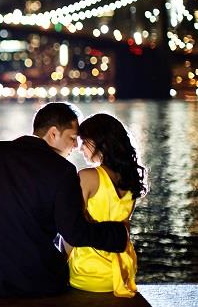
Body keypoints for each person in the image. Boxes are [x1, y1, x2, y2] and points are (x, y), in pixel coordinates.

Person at [0, 102, 128, 298]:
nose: (76, 147)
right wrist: (119, 234)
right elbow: (74, 232)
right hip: (30, 281)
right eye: (72, 138)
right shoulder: (62, 170)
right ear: (53, 134)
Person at [67, 113, 148, 297]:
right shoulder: (131, 179)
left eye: (84, 141)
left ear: (98, 142)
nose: (80, 148)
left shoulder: (87, 177)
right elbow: (123, 227)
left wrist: (58, 262)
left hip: (88, 274)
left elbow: (73, 231)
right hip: (121, 271)